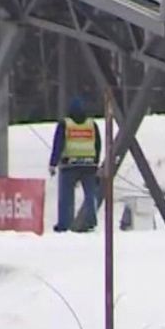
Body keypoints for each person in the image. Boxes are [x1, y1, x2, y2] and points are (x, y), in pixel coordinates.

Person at [47, 95, 102, 232]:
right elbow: (98, 144)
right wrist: (96, 161)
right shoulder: (91, 124)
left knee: (66, 196)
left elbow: (58, 145)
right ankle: (90, 221)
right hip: (89, 165)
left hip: (69, 165)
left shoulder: (65, 124)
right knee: (90, 194)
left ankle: (65, 223)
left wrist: (53, 163)